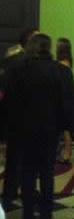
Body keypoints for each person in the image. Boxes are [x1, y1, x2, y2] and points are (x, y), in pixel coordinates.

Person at [5, 34, 67, 219]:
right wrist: (62, 130)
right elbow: (62, 103)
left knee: (27, 174)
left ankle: (27, 217)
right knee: (47, 175)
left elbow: (10, 101)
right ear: (48, 48)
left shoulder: (19, 68)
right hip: (48, 130)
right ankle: (46, 217)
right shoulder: (56, 69)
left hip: (24, 130)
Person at [0, 28, 38, 205]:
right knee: (19, 158)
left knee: (19, 158)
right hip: (19, 117)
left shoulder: (20, 59)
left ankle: (15, 191)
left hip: (20, 117)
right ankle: (16, 192)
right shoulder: (19, 61)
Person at [55, 38, 74, 165]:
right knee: (65, 127)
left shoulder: (62, 64)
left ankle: (67, 151)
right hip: (67, 98)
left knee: (66, 128)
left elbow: (63, 85)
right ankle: (65, 151)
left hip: (64, 99)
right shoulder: (67, 62)